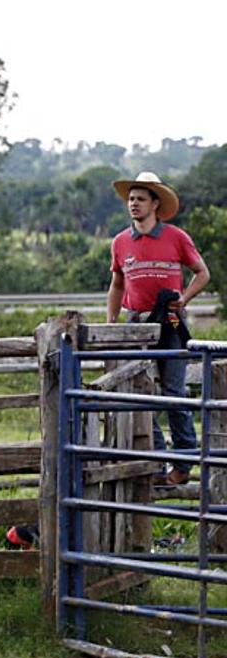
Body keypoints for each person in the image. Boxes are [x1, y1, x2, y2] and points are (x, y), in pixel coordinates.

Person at [107, 171, 211, 486]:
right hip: (136, 323)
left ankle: (183, 462)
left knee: (174, 393)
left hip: (170, 321)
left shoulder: (177, 237)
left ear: (155, 203)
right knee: (139, 394)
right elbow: (116, 284)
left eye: (140, 199)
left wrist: (185, 298)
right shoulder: (121, 241)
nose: (133, 204)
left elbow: (202, 273)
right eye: (131, 199)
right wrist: (111, 323)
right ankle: (154, 462)